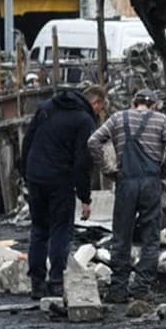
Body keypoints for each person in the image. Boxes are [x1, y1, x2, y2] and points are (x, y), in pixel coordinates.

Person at [86, 88, 166, 304]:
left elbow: (93, 141)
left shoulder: (118, 118)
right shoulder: (161, 120)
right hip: (150, 183)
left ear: (133, 103)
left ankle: (118, 289)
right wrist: (161, 172)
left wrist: (108, 170)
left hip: (125, 182)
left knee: (121, 237)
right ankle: (141, 289)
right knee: (150, 238)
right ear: (154, 105)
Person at [21, 83, 106, 297]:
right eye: (100, 109)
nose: (99, 114)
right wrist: (85, 197)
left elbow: (28, 141)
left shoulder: (46, 107)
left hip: (36, 176)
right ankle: (57, 281)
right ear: (95, 102)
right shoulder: (84, 120)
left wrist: (26, 173)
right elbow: (82, 162)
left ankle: (37, 283)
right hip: (60, 179)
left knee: (39, 229)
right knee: (61, 229)